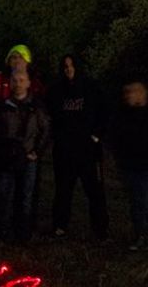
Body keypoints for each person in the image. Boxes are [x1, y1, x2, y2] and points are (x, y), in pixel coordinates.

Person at [46, 54, 109, 240]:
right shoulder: (57, 90)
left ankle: (100, 229)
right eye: (65, 66)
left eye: (72, 66)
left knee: (94, 190)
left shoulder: (91, 87)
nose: (69, 69)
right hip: (65, 150)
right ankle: (60, 226)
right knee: (63, 190)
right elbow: (50, 116)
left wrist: (97, 135)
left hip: (88, 150)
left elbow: (104, 111)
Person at [0, 70, 51, 242]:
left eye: (22, 80)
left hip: (28, 158)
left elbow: (45, 130)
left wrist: (37, 152)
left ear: (29, 83)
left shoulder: (37, 106)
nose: (18, 83)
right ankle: (1, 232)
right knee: (3, 196)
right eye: (15, 80)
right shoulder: (3, 106)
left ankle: (23, 234)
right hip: (6, 158)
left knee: (26, 197)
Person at [110, 80, 148, 251]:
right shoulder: (124, 115)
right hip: (130, 165)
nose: (128, 95)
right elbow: (117, 138)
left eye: (132, 91)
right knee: (136, 201)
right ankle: (142, 234)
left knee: (147, 200)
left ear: (143, 93)